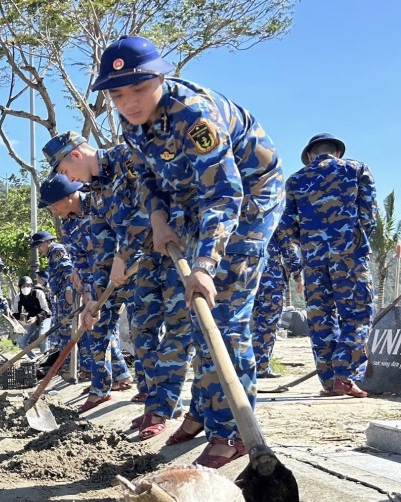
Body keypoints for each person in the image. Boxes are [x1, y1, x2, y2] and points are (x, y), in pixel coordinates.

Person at [92, 35, 284, 468]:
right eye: (118, 95)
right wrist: (158, 219)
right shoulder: (131, 122)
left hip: (249, 201)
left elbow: (225, 193)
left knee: (226, 313)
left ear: (161, 77)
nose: (129, 103)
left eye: (139, 89)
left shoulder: (194, 115)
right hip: (192, 203)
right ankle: (203, 410)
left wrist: (203, 263)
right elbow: (146, 176)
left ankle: (233, 431)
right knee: (197, 312)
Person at [47, 130, 189, 436]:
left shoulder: (128, 157)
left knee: (180, 331)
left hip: (176, 248)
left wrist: (122, 259)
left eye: (63, 171)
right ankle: (158, 405)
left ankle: (174, 409)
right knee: (143, 332)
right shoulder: (97, 193)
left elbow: (146, 211)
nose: (67, 178)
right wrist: (93, 299)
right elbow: (102, 254)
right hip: (144, 261)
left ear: (75, 156)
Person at [277, 133, 376, 398]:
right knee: (357, 313)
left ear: (310, 155)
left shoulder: (296, 180)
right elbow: (368, 216)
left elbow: (286, 227)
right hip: (350, 258)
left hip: (313, 260)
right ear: (337, 152)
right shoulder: (357, 169)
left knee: (320, 319)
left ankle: (330, 381)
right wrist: (352, 242)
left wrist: (311, 242)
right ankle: (344, 374)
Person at [38, 173, 135, 408]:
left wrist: (120, 266)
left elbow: (126, 235)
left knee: (141, 332)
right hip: (99, 283)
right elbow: (80, 259)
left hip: (129, 275)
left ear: (70, 196)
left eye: (54, 205)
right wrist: (87, 293)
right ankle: (100, 388)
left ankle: (147, 390)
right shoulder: (69, 224)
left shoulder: (101, 203)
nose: (52, 211)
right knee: (97, 331)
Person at [251, 230, 302, 379]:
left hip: (244, 278)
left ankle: (244, 366)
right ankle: (260, 368)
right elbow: (287, 246)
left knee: (247, 325)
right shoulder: (273, 210)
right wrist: (298, 275)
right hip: (270, 279)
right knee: (267, 325)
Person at [15, 275, 51, 358]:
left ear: (31, 286)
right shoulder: (18, 297)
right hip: (31, 319)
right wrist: (17, 324)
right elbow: (16, 313)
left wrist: (36, 318)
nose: (25, 288)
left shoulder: (38, 293)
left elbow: (46, 310)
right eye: (23, 286)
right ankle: (35, 359)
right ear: (20, 287)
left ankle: (45, 359)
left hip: (45, 317)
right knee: (21, 341)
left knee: (42, 336)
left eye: (28, 286)